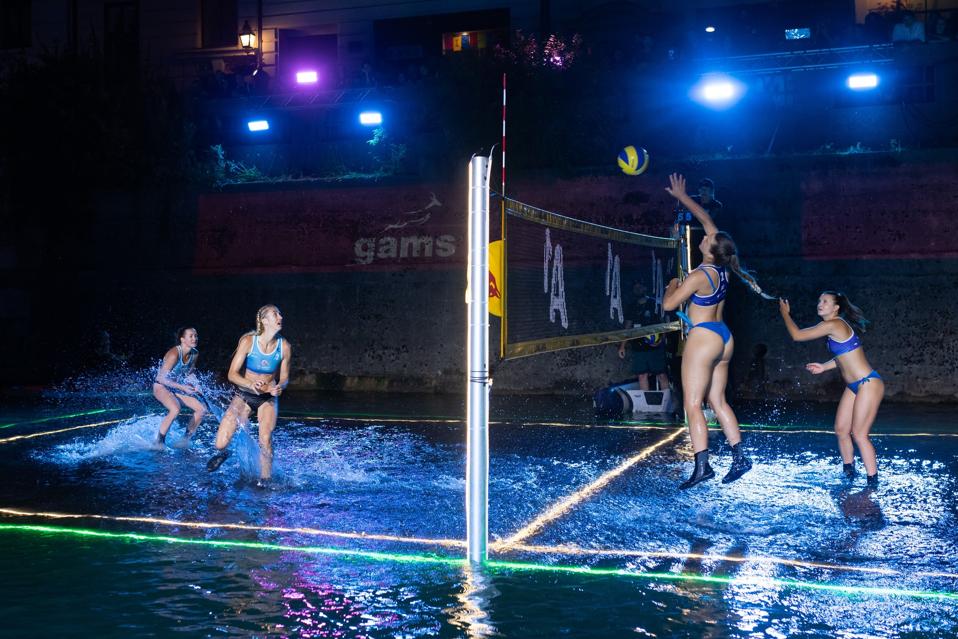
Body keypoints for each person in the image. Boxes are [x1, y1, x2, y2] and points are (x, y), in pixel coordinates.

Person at [663, 173, 769, 489]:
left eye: (708, 238)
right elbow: (707, 221)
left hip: (704, 338)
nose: (705, 235)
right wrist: (683, 197)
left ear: (710, 248)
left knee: (693, 404)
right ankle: (740, 457)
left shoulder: (699, 275)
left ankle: (702, 467)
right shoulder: (722, 266)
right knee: (718, 401)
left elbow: (669, 305)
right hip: (724, 337)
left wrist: (673, 284)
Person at [779, 292, 883, 486]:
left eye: (825, 301)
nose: (820, 304)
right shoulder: (834, 327)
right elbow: (845, 356)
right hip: (854, 386)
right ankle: (849, 473)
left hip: (867, 383)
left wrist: (785, 313)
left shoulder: (834, 324)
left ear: (836, 308)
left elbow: (797, 335)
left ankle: (872, 483)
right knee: (841, 429)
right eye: (819, 301)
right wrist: (824, 366)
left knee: (859, 434)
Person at [207, 305, 291, 484]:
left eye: (280, 314)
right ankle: (225, 453)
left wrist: (280, 386)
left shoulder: (284, 346)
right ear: (264, 320)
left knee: (265, 438)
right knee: (220, 444)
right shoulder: (248, 342)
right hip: (244, 395)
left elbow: (284, 377)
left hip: (267, 397)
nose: (281, 317)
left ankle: (265, 480)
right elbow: (232, 374)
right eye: (275, 314)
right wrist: (251, 384)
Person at [152, 327, 207, 448]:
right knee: (175, 409)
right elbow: (161, 378)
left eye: (196, 336)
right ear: (182, 339)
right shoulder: (174, 354)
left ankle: (184, 440)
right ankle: (159, 442)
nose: (194, 338)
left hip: (174, 387)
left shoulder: (194, 353)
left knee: (201, 409)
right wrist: (182, 387)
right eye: (191, 336)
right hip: (160, 386)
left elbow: (189, 373)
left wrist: (197, 385)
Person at [618, 282, 669, 391]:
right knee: (642, 375)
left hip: (656, 347)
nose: (637, 289)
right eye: (635, 288)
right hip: (638, 347)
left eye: (640, 287)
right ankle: (646, 400)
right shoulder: (632, 307)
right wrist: (622, 346)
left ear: (645, 288)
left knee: (661, 375)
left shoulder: (655, 304)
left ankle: (667, 399)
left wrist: (661, 341)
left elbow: (664, 324)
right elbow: (627, 327)